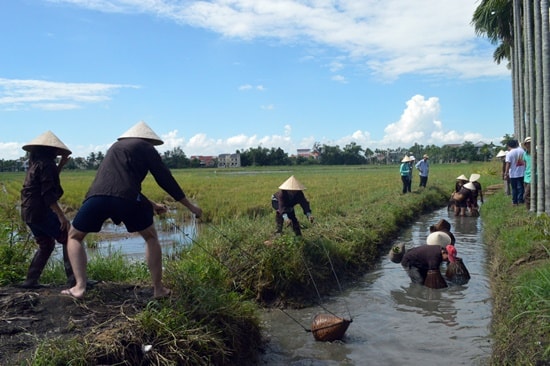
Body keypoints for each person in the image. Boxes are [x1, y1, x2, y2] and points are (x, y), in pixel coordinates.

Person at [61, 121, 202, 299]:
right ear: (148, 139)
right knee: (151, 237)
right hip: (127, 199)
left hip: (96, 196)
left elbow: (117, 185)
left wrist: (152, 204)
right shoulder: (147, 148)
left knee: (74, 236)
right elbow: (165, 179)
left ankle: (79, 287)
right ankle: (158, 289)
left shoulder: (115, 147)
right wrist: (191, 207)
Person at [19, 131, 76, 288]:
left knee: (46, 244)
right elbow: (48, 194)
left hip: (28, 212)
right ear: (52, 151)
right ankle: (74, 280)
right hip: (40, 211)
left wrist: (61, 165)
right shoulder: (47, 164)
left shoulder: (36, 165)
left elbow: (47, 181)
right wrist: (61, 216)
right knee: (70, 236)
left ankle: (31, 280)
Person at [504, 139, 525, 205]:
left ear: (509, 145)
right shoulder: (522, 151)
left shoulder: (509, 153)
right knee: (521, 187)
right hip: (522, 172)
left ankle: (515, 201)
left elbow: (508, 164)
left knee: (514, 188)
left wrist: (506, 173)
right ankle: (520, 200)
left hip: (513, 174)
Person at [522, 137, 532, 211]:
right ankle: (529, 209)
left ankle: (529, 210)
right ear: (525, 145)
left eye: (530, 143)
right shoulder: (525, 154)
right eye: (527, 143)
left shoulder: (537, 153)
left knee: (526, 195)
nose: (528, 145)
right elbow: (525, 165)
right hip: (526, 177)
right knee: (528, 194)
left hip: (534, 176)